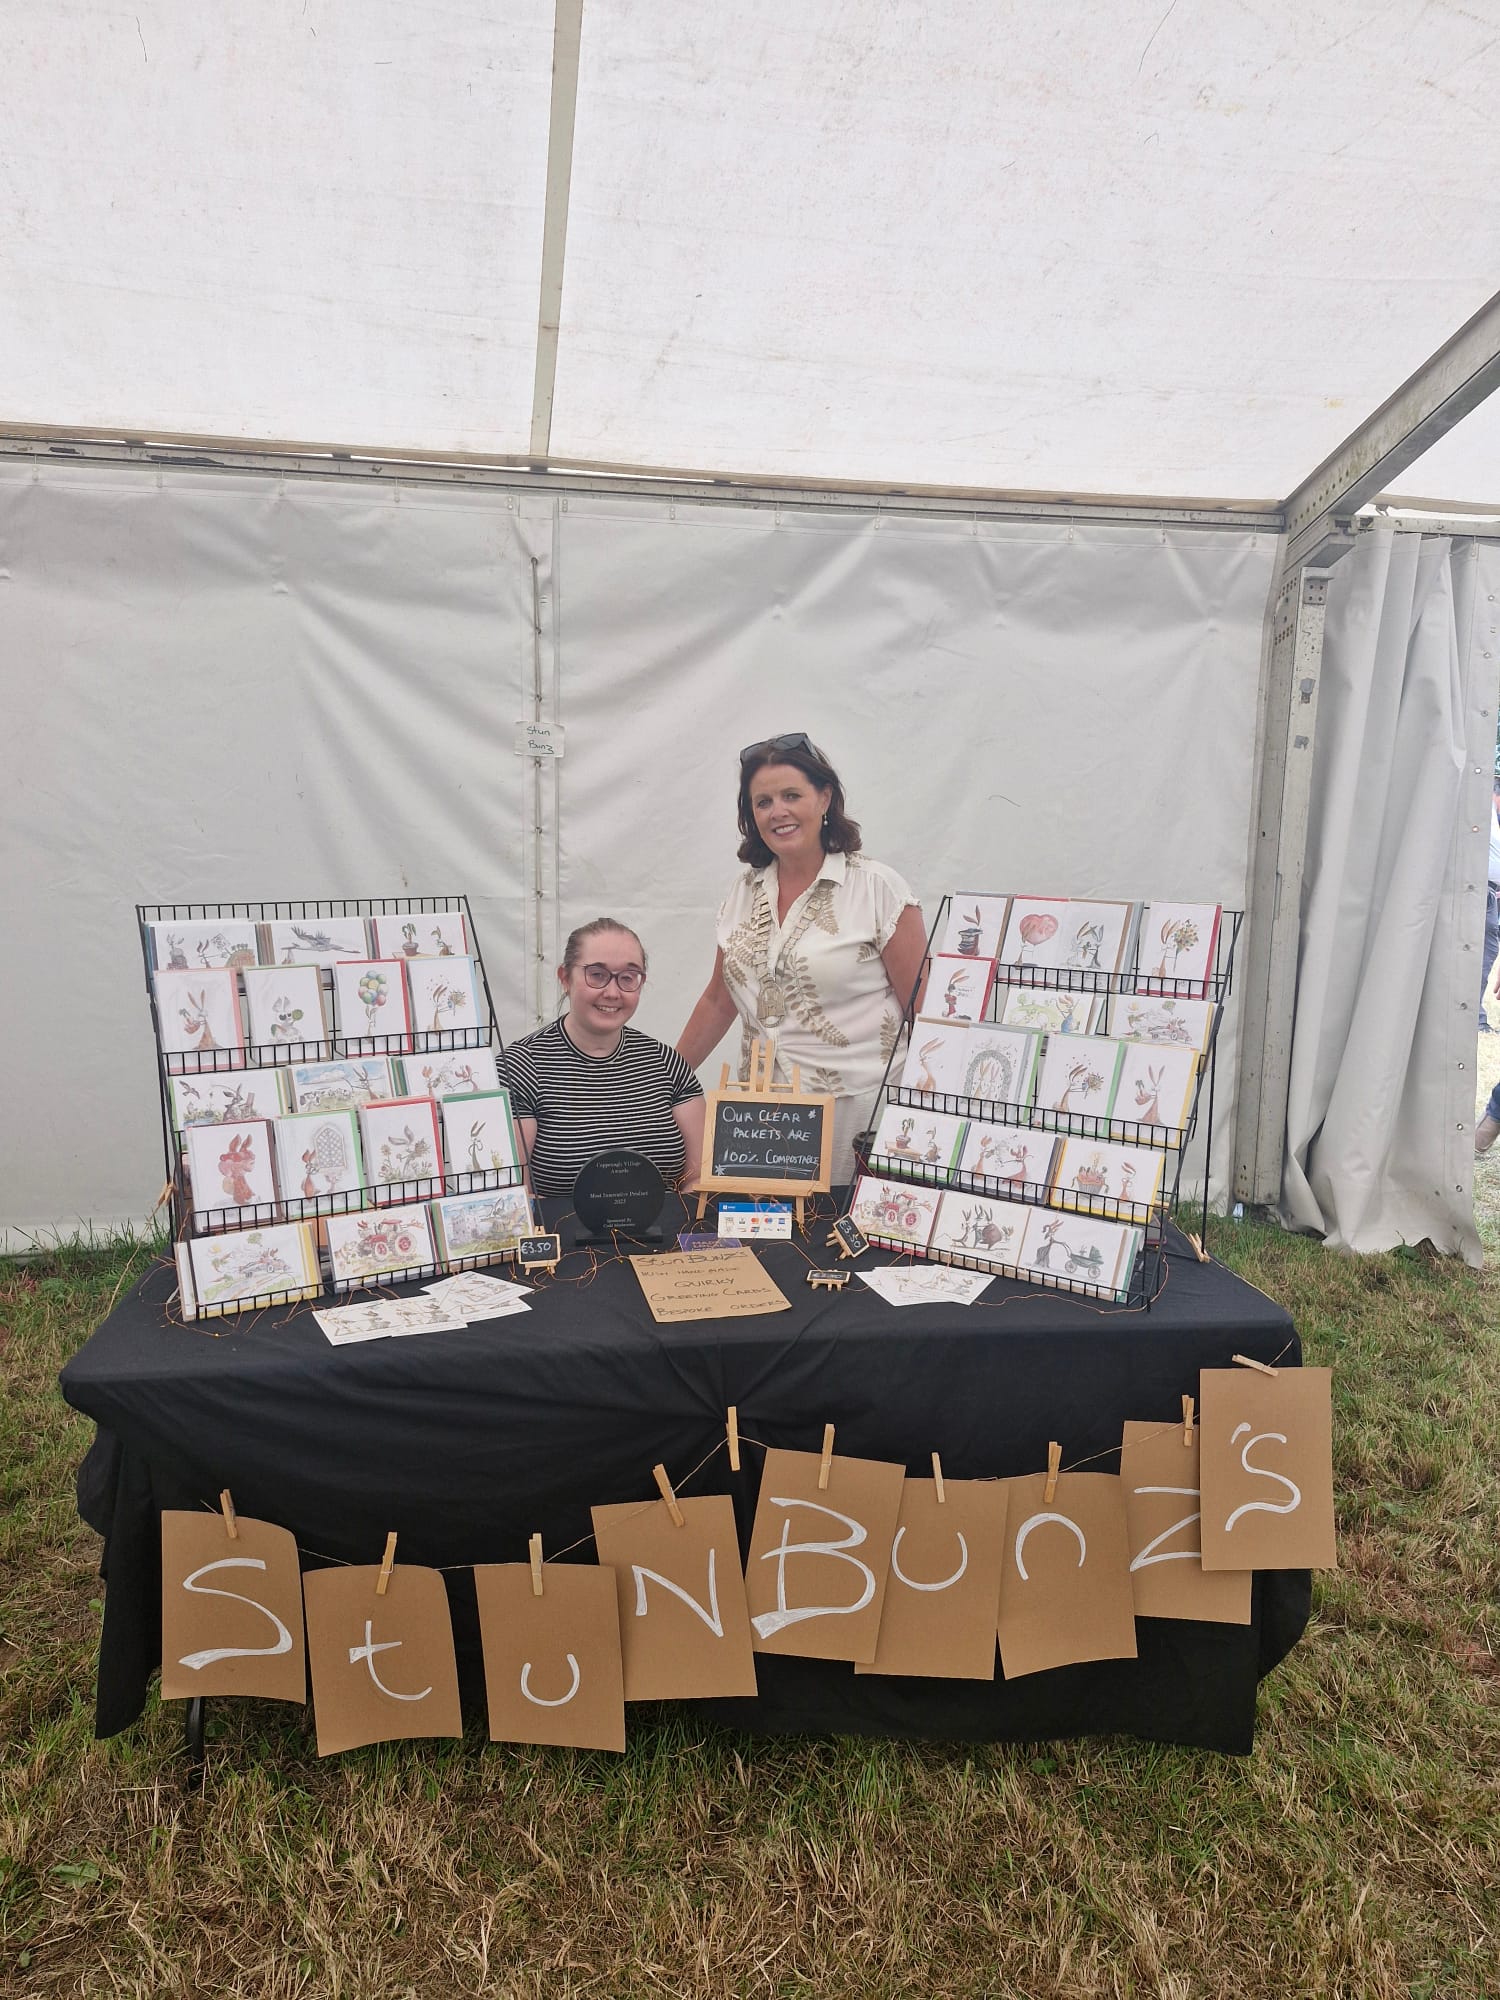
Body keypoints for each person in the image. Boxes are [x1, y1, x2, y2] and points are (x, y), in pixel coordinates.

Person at [676, 733, 927, 1183]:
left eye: (791, 795)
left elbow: (923, 1010)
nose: (778, 812)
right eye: (763, 802)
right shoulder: (741, 893)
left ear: (824, 798)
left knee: (845, 1226)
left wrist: (934, 1118)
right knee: (765, 1226)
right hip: (760, 1114)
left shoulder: (878, 888)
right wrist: (662, 1082)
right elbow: (718, 1000)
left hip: (859, 1111)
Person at [503, 918, 705, 1198]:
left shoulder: (667, 1065)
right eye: (597, 975)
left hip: (670, 1227)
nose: (612, 992)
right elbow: (513, 1198)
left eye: (628, 977)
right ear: (565, 978)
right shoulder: (519, 1069)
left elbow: (700, 1180)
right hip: (560, 1228)